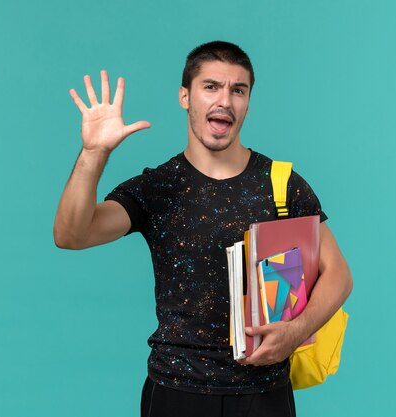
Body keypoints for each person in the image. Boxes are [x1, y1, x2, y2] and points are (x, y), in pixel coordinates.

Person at [54, 41, 352, 417]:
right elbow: (71, 234)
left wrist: (296, 331)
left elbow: (339, 275)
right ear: (185, 96)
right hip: (176, 392)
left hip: (264, 394)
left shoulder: (283, 184)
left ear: (247, 102)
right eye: (210, 86)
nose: (224, 100)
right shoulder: (159, 187)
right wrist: (94, 154)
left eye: (238, 90)